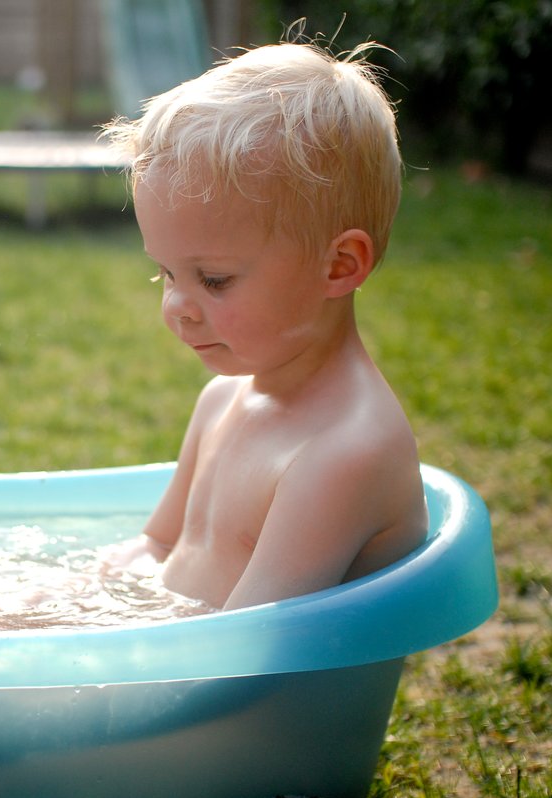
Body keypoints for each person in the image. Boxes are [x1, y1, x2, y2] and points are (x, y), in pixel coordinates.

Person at [99, 40, 429, 610]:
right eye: (166, 273)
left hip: (260, 696)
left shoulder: (344, 453)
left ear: (340, 266)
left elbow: (248, 652)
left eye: (214, 279)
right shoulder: (221, 401)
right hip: (182, 648)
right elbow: (157, 545)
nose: (178, 304)